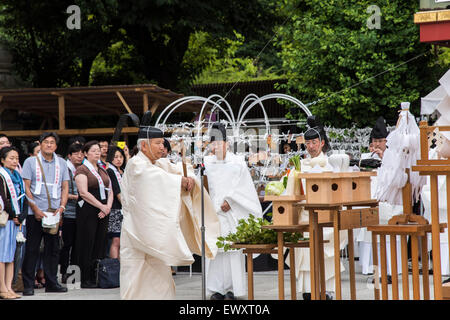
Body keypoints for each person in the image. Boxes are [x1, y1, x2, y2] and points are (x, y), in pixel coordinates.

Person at [119, 123, 220, 299]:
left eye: (162, 143)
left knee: (161, 285)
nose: (162, 146)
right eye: (157, 143)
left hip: (155, 236)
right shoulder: (136, 164)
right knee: (137, 283)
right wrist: (178, 182)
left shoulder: (157, 163)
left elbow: (174, 170)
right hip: (136, 234)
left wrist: (187, 177)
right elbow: (154, 179)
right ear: (144, 145)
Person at [204, 123, 263, 300]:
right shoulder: (207, 162)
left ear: (227, 144)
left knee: (232, 250)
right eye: (213, 143)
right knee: (216, 250)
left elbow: (243, 185)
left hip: (232, 211)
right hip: (214, 212)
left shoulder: (237, 162)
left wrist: (230, 200)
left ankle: (233, 290)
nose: (216, 147)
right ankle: (216, 289)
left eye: (219, 143)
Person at [291, 116, 348, 300]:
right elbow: (291, 191)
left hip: (325, 219)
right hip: (306, 218)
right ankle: (308, 291)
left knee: (325, 258)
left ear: (322, 143)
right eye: (307, 143)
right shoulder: (300, 166)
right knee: (306, 256)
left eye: (314, 142)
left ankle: (326, 291)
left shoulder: (330, 164)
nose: (311, 146)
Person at [21, 132, 69, 296]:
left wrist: (62, 207)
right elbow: (26, 187)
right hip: (34, 211)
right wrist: (34, 208)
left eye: (52, 143)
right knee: (32, 248)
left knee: (53, 249)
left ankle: (51, 282)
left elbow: (65, 186)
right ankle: (28, 284)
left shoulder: (62, 163)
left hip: (54, 212)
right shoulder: (30, 162)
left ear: (56, 146)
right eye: (46, 142)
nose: (49, 145)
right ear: (40, 144)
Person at [356, 116, 402, 281]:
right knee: (375, 241)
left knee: (390, 241)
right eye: (374, 141)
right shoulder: (366, 156)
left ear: (386, 141)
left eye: (380, 141)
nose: (376, 144)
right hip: (373, 203)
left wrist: (383, 157)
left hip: (390, 204)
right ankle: (377, 273)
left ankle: (391, 272)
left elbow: (396, 177)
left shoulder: (393, 156)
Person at [73, 141, 113, 288]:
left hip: (103, 210)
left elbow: (111, 189)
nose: (97, 153)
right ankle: (83, 278)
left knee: (99, 242)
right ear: (85, 153)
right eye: (94, 150)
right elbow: (83, 192)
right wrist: (101, 206)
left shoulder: (103, 169)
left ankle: (96, 276)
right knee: (86, 242)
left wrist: (107, 207)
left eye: (98, 150)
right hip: (88, 209)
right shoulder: (82, 169)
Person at [0, 147, 27, 299]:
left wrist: (21, 215)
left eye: (16, 158)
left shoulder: (17, 175)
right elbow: (3, 198)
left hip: (15, 220)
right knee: (2, 256)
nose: (15, 161)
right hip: (5, 219)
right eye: (11, 158)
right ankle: (2, 288)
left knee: (10, 256)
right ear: (2, 160)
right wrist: (14, 214)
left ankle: (9, 287)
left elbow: (23, 197)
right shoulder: (1, 175)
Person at [59, 143, 84, 284]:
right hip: (67, 212)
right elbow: (61, 190)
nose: (79, 156)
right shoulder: (65, 169)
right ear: (69, 155)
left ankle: (73, 274)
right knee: (67, 244)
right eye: (76, 153)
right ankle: (64, 273)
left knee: (77, 244)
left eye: (81, 153)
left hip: (79, 212)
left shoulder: (81, 169)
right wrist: (77, 197)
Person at [106, 145, 125, 259]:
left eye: (120, 157)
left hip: (124, 208)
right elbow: (117, 191)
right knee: (116, 239)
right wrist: (127, 206)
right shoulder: (110, 171)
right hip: (116, 209)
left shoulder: (123, 170)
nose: (118, 159)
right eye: (115, 157)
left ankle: (122, 267)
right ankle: (114, 267)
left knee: (123, 240)